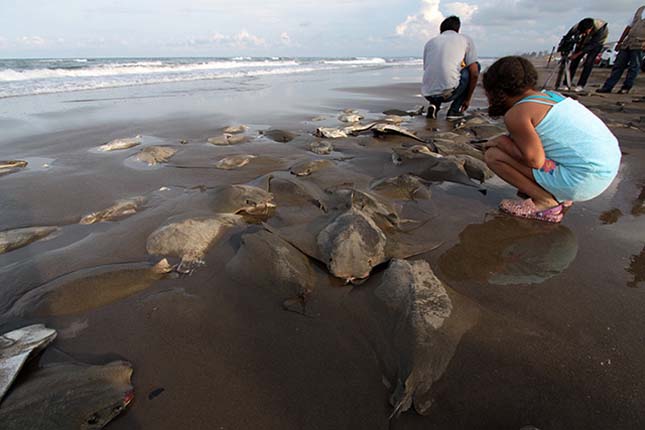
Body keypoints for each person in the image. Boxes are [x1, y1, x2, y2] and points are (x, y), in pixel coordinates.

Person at [482, 56, 621, 223]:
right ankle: (560, 194)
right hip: (605, 171)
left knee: (494, 155)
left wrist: (501, 142)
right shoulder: (551, 97)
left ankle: (545, 202)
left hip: (583, 180)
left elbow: (535, 160)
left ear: (498, 91)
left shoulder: (517, 113)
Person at [421, 15, 479, 120]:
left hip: (427, 93)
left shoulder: (430, 42)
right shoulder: (465, 39)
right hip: (448, 93)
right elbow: (474, 73)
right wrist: (467, 99)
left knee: (439, 73)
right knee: (474, 67)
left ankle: (434, 105)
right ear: (457, 29)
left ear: (441, 29)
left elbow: (427, 68)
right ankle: (454, 110)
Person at [597, 6, 645, 94]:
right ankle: (607, 87)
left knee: (634, 67)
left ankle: (626, 88)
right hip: (628, 42)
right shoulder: (640, 10)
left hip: (640, 44)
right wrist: (620, 41)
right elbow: (629, 27)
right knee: (618, 66)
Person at [560, 18, 608, 92]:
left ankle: (581, 85)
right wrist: (564, 49)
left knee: (588, 62)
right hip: (583, 42)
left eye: (585, 31)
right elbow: (567, 38)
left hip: (596, 44)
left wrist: (576, 54)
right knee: (574, 62)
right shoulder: (576, 27)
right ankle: (566, 83)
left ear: (591, 28)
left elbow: (592, 45)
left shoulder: (601, 29)